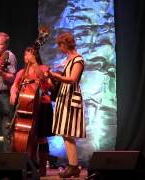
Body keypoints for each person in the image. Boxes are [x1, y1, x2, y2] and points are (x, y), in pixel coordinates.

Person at [47, 32, 86, 178]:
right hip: (64, 96)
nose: (59, 49)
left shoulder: (78, 59)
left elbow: (72, 79)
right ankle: (72, 165)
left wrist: (56, 75)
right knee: (65, 133)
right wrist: (52, 76)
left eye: (60, 45)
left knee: (68, 132)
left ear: (65, 44)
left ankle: (73, 166)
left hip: (71, 97)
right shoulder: (67, 60)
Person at [10, 47, 54, 177]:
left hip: (42, 106)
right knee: (26, 139)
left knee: (41, 138)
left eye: (30, 55)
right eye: (26, 55)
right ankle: (28, 165)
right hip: (26, 107)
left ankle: (42, 168)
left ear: (35, 57)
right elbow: (14, 85)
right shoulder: (21, 73)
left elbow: (45, 81)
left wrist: (35, 64)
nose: (27, 57)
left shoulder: (44, 69)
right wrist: (13, 92)